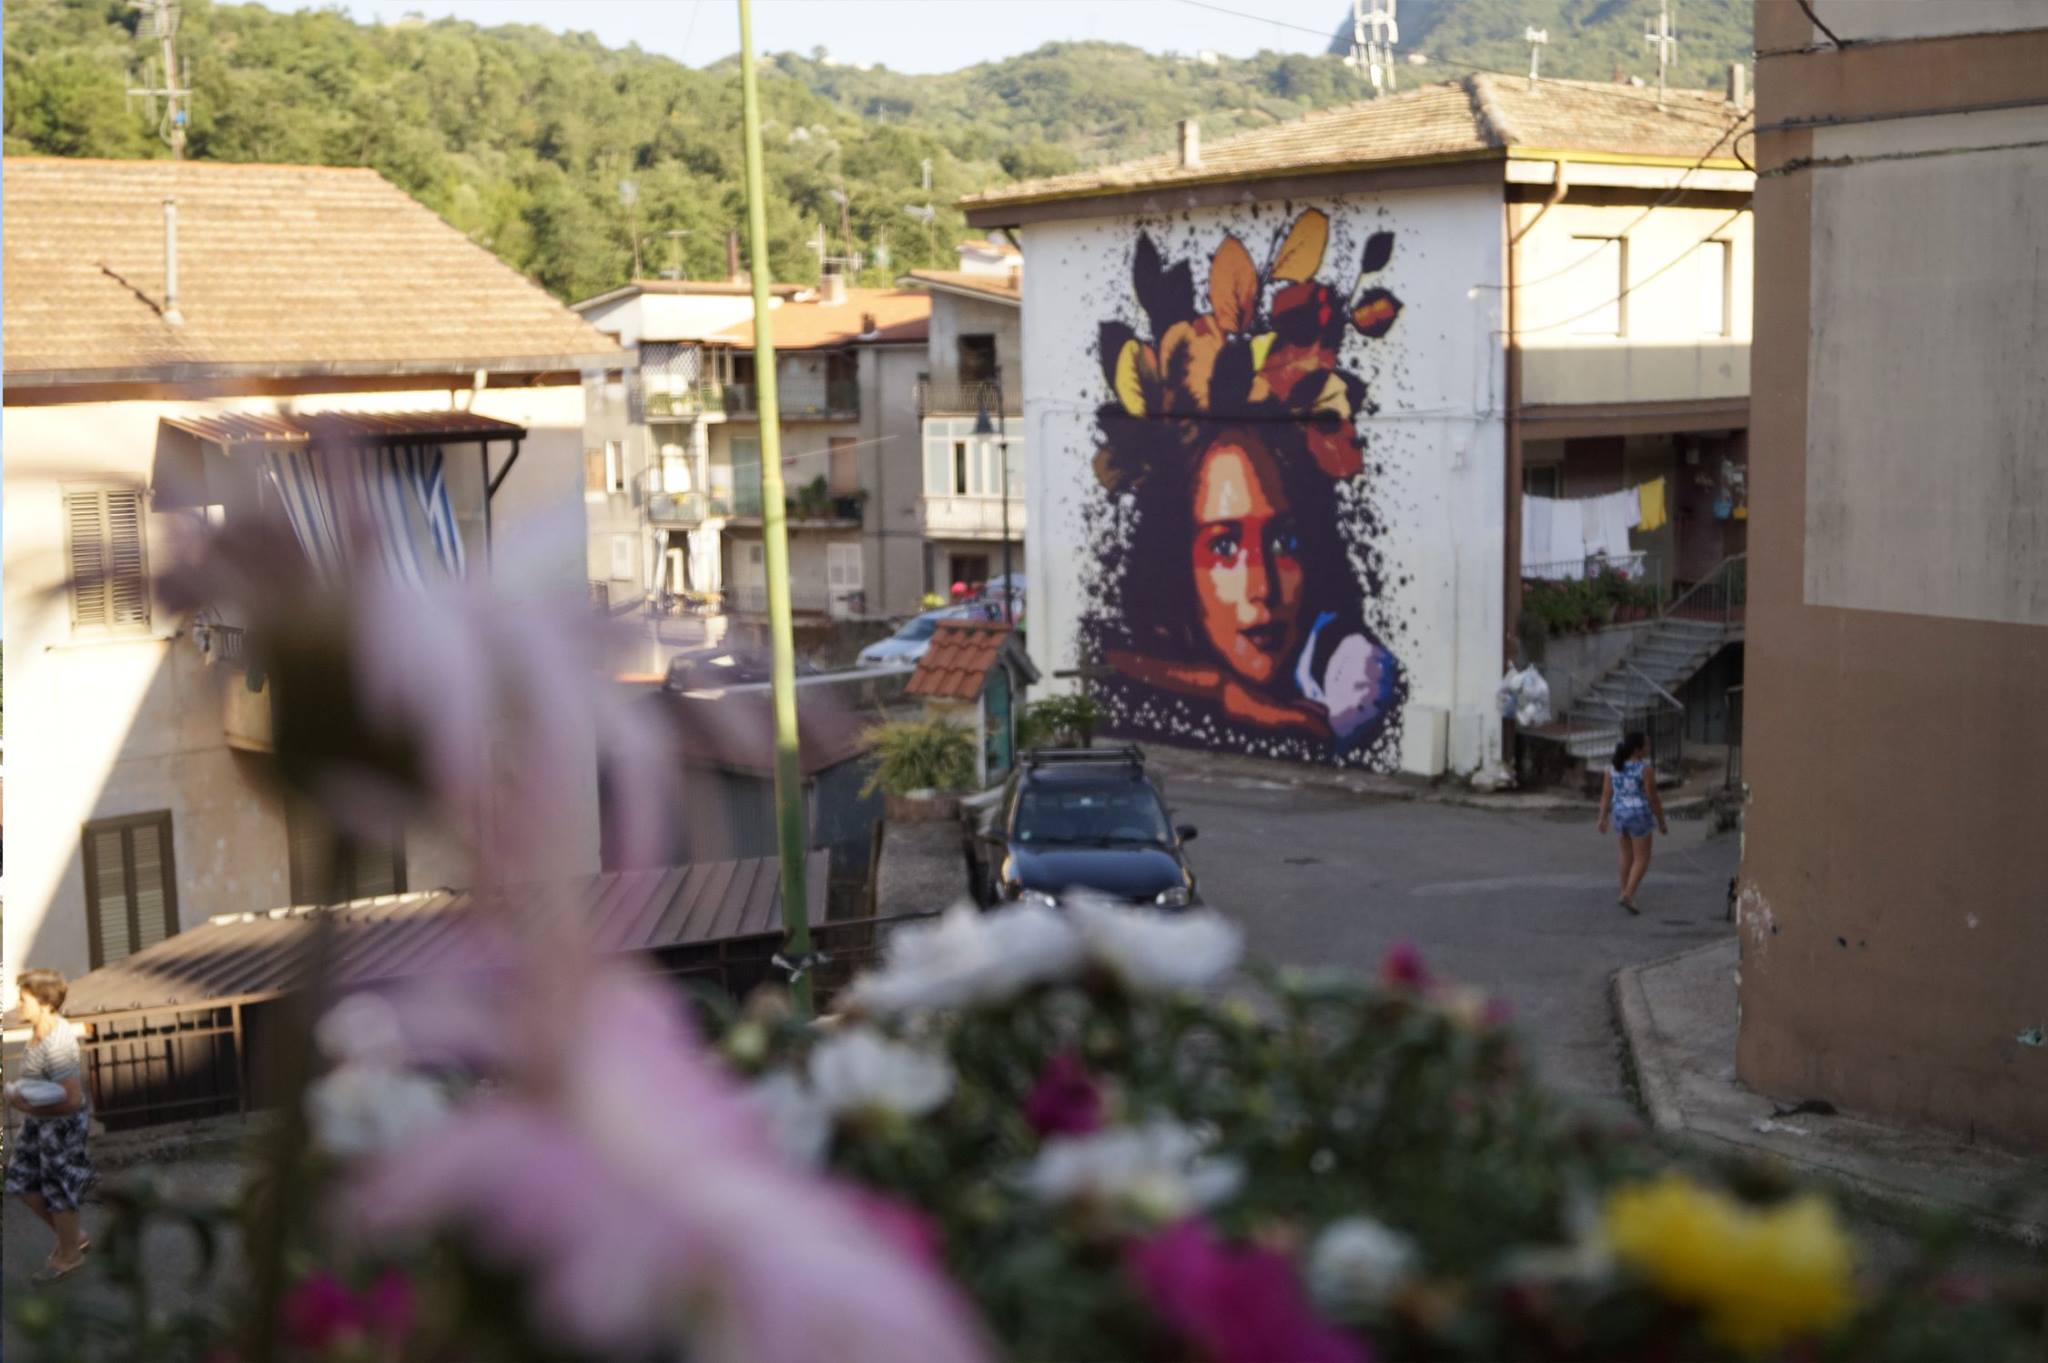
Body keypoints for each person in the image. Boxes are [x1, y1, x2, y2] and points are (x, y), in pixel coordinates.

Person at [1102, 421, 1402, 755]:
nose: (1261, 587)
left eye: (1284, 542)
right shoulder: (1146, 647)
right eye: (1224, 547)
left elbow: (1318, 738)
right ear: (1177, 562)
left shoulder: (1356, 664)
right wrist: (1225, 691)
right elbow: (1108, 659)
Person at [6, 968, 95, 1282]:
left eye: (24, 999)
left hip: (61, 1126)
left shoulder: (57, 1042)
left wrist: (23, 1104)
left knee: (57, 1189)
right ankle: (74, 1237)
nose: (19, 1004)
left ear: (44, 1003)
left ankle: (70, 1256)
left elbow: (72, 1099)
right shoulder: (39, 1030)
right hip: (39, 1121)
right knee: (20, 1181)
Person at [1598, 732, 1668, 914]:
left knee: (1626, 854)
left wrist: (1602, 818)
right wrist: (1661, 821)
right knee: (1642, 858)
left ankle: (1624, 891)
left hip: (1619, 814)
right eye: (1646, 745)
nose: (1649, 748)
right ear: (1637, 749)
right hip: (1639, 815)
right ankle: (1629, 894)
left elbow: (1606, 795)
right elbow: (1653, 797)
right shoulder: (1645, 769)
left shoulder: (1612, 768)